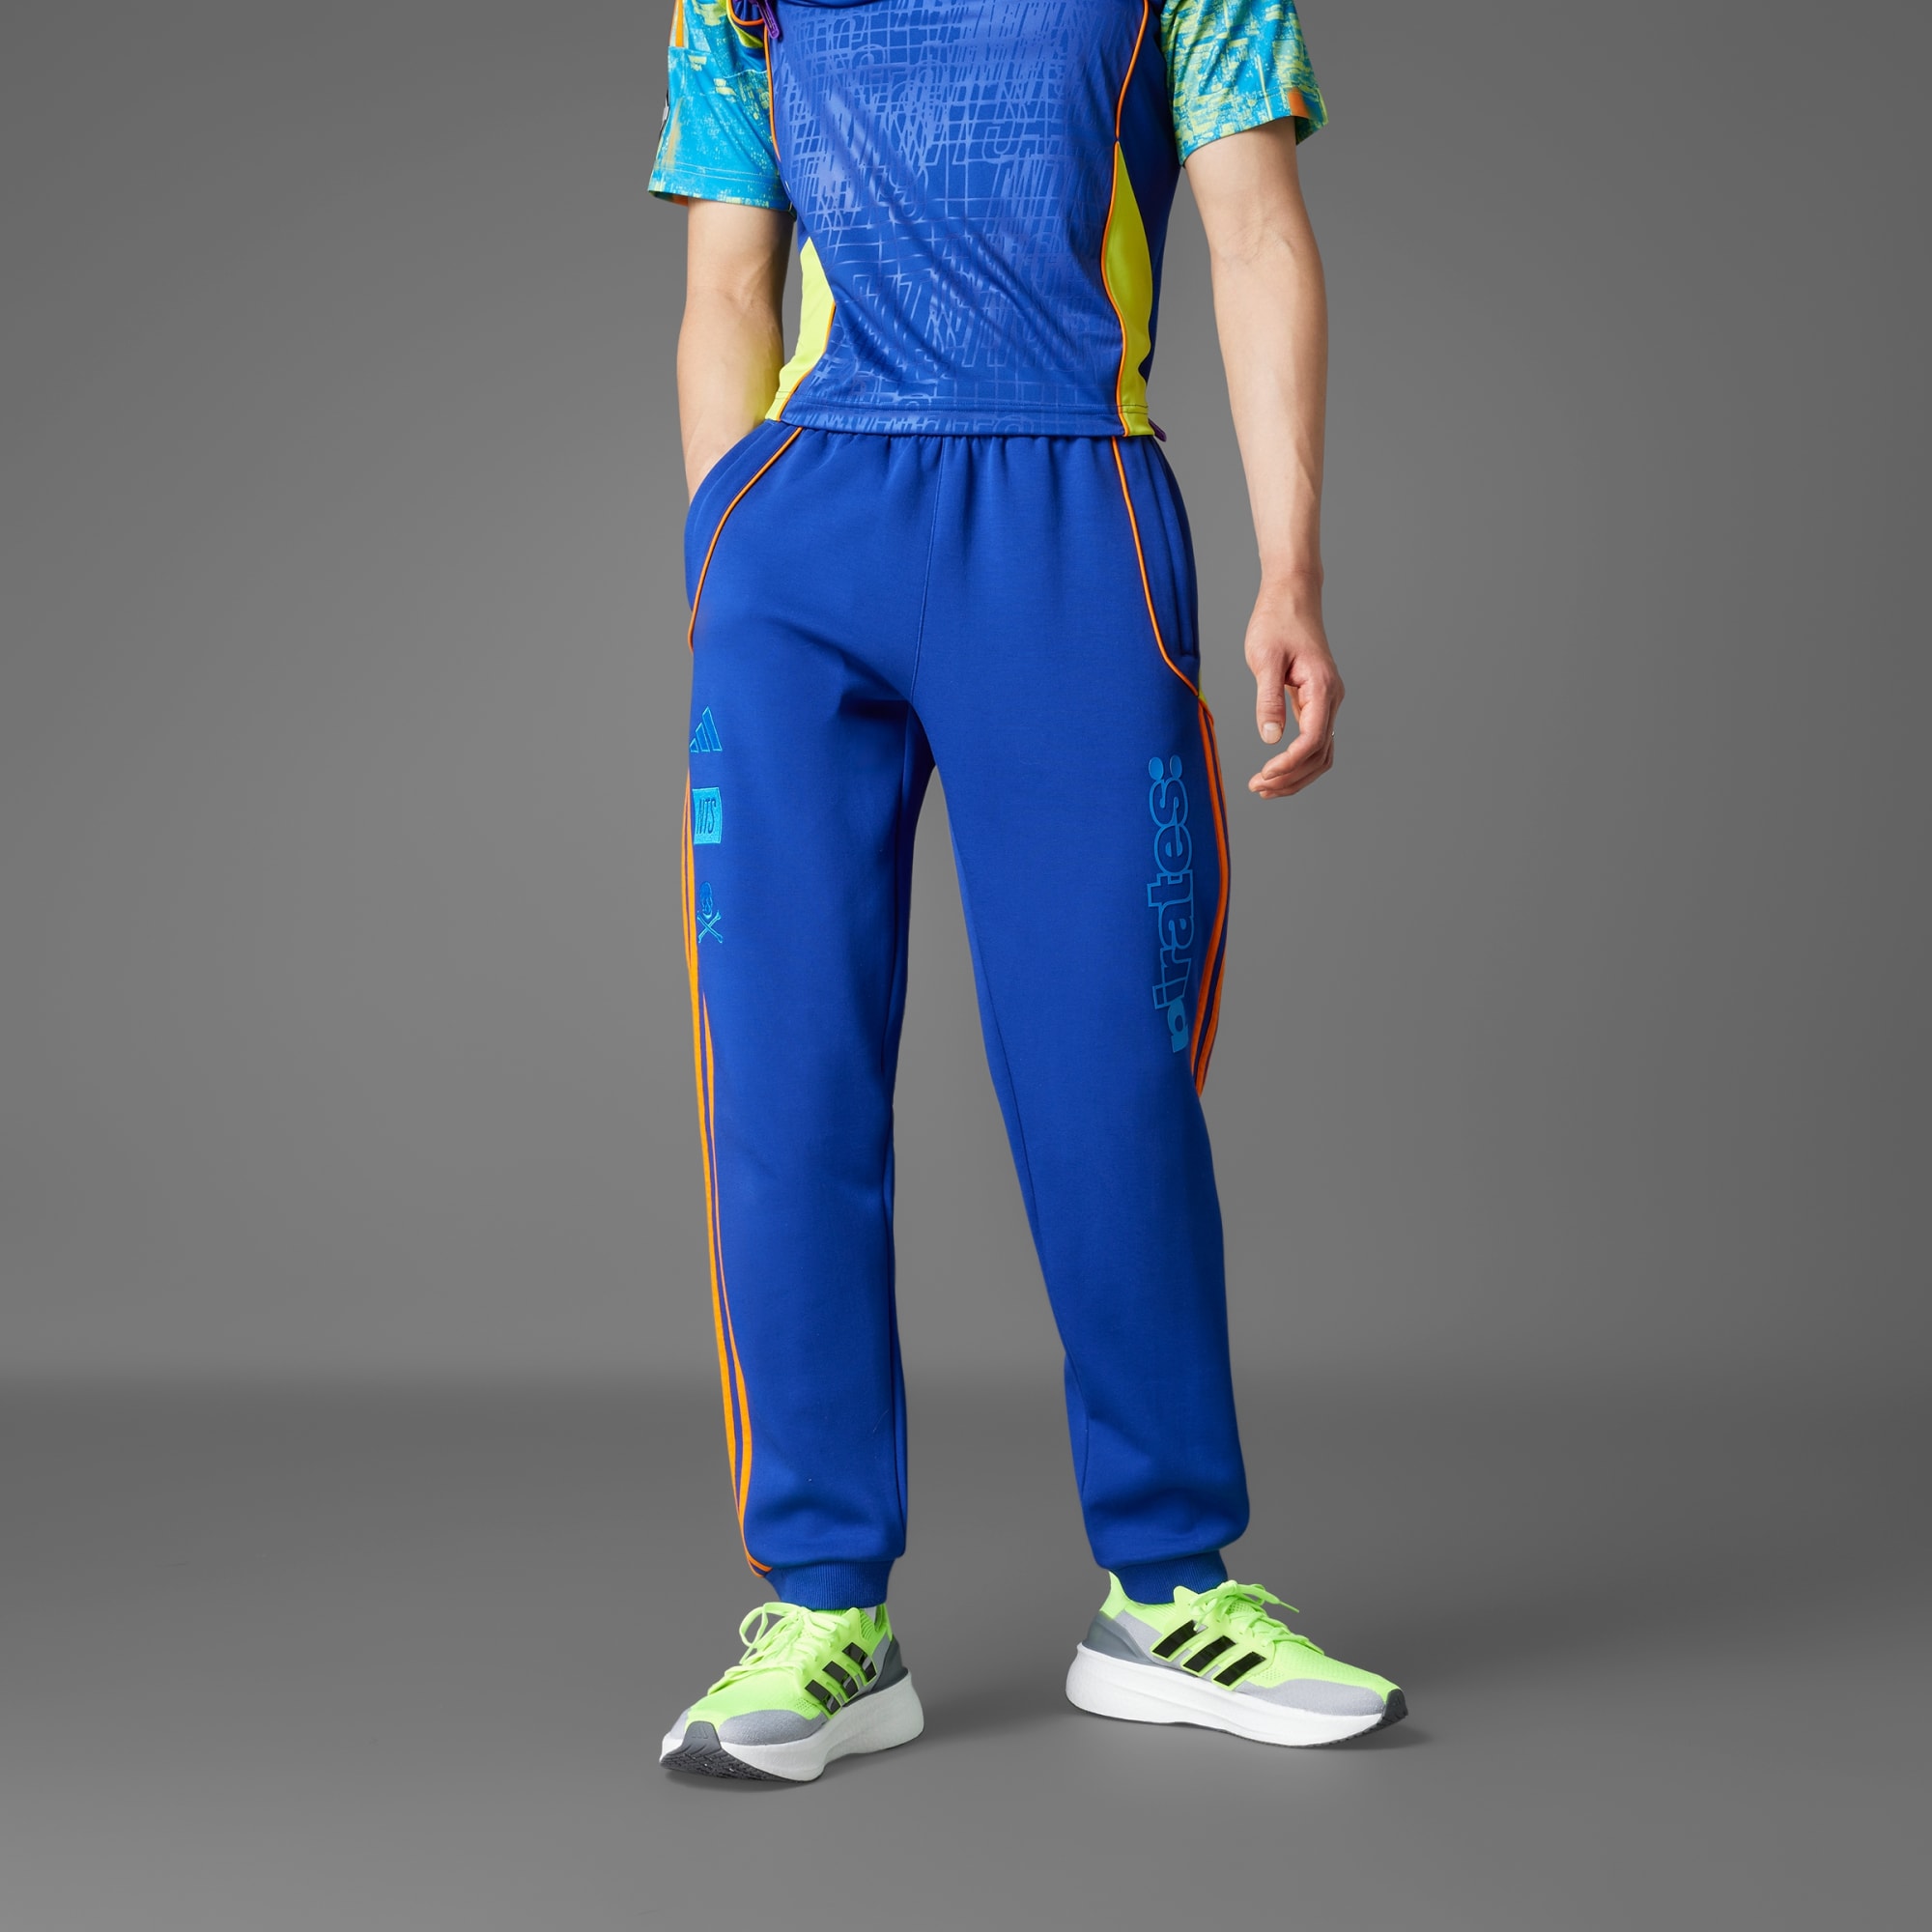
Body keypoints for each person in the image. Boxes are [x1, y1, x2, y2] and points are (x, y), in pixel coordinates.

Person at [652, 0, 1402, 1782]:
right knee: (784, 1084)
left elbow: (1254, 232)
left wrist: (1292, 567)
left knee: (1105, 1076)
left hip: (1069, 509)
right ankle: (826, 1612)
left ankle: (1168, 1591)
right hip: (804, 534)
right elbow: (728, 286)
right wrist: (724, 557)